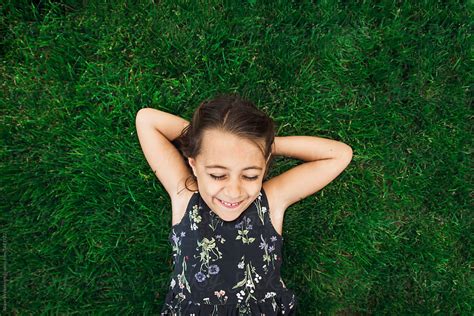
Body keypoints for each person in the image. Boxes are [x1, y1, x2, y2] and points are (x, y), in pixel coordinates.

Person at [135, 93, 353, 315]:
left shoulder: (270, 201)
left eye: (249, 176)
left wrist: (263, 146)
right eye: (218, 175)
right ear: (194, 165)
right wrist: (205, 139)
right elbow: (147, 120)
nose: (233, 191)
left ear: (264, 166)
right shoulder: (186, 195)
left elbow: (339, 155)